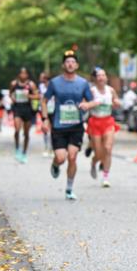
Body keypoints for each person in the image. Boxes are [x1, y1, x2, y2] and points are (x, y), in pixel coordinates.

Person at [40, 50, 97, 200]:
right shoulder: (55, 82)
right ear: (63, 65)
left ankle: (69, 189)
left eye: (73, 62)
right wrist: (45, 119)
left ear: (77, 65)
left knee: (72, 157)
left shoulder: (83, 83)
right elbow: (44, 100)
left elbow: (91, 101)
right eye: (67, 62)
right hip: (59, 126)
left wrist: (87, 105)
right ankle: (55, 164)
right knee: (61, 158)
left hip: (76, 126)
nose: (70, 64)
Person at [86, 67, 122, 187]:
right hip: (95, 123)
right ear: (95, 79)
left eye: (103, 75)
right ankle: (93, 162)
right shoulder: (91, 91)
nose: (101, 77)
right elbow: (84, 104)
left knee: (108, 149)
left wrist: (117, 103)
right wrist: (92, 104)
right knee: (99, 152)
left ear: (106, 78)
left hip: (108, 122)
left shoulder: (110, 90)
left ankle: (105, 177)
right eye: (99, 75)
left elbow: (117, 101)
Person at [10, 67, 39, 163]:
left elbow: (38, 96)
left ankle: (24, 152)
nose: (23, 75)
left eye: (25, 73)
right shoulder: (14, 84)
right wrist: (13, 98)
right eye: (21, 73)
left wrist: (29, 96)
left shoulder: (31, 84)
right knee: (17, 129)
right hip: (17, 108)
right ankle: (17, 148)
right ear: (19, 74)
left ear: (27, 75)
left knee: (26, 133)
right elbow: (10, 94)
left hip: (27, 109)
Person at [38, 72, 53, 157]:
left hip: (52, 109)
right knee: (45, 129)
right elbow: (39, 96)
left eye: (44, 79)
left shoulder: (53, 87)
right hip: (43, 110)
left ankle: (51, 148)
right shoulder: (41, 87)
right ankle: (46, 147)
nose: (43, 80)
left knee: (52, 130)